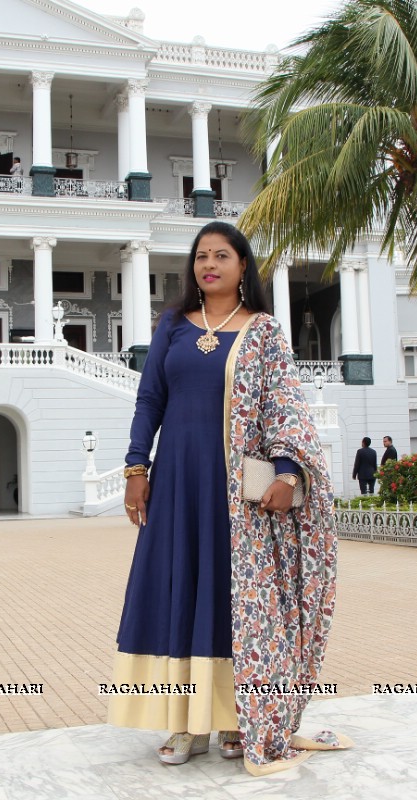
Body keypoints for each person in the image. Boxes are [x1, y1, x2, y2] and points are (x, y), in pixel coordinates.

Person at [110, 221, 347, 777]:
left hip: (237, 494)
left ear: (243, 267)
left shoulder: (263, 332)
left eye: (221, 255)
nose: (208, 264)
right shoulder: (172, 327)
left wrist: (288, 474)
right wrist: (136, 468)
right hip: (177, 485)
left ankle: (237, 719)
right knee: (178, 588)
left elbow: (286, 408)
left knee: (232, 598)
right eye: (200, 257)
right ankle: (184, 722)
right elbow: (149, 402)